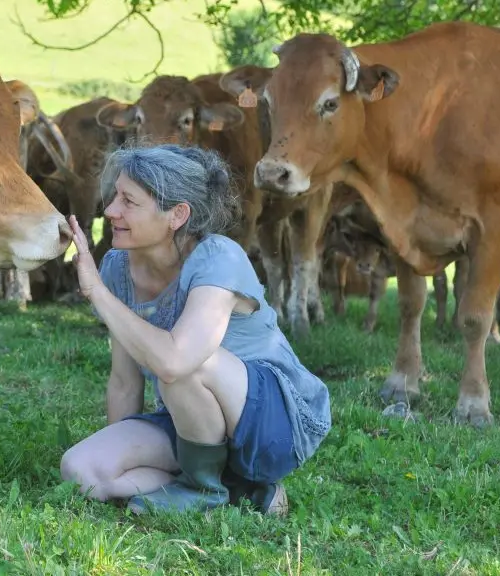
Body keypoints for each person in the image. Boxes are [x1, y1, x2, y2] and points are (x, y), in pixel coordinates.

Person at [59, 143, 331, 516]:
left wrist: (96, 294)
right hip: (191, 420)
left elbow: (175, 360)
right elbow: (124, 381)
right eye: (114, 197)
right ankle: (237, 492)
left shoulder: (218, 257)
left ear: (177, 215)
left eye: (129, 201)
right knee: (82, 471)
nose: (110, 211)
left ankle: (201, 489)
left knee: (184, 363)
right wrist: (120, 447)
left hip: (277, 423)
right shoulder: (117, 269)